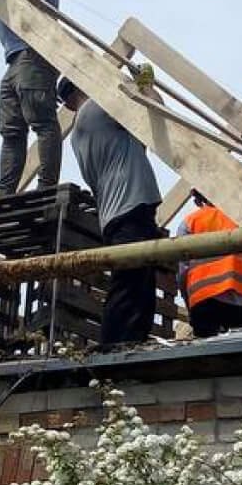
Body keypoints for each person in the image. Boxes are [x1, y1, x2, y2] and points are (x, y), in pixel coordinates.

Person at [58, 79, 163, 350]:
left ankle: (129, 341)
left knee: (137, 280)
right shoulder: (95, 109)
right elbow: (154, 107)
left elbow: (137, 142)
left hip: (118, 211)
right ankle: (116, 345)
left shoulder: (81, 132)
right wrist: (145, 83)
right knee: (130, 283)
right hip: (129, 206)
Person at [0, 0, 61, 197]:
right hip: (15, 59)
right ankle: (4, 192)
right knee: (11, 129)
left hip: (33, 53)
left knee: (41, 120)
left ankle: (46, 188)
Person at [175, 193, 242, 339]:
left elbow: (183, 271)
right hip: (238, 298)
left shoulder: (190, 222)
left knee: (206, 354)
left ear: (199, 199)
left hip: (203, 298)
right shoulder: (239, 220)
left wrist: (189, 302)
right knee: (239, 354)